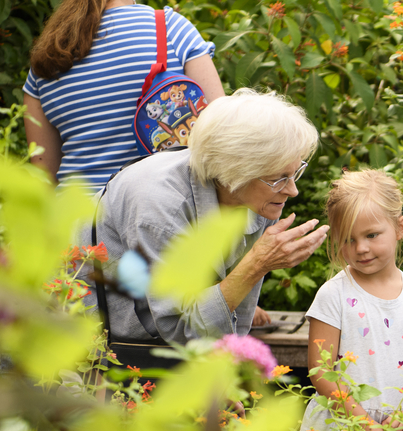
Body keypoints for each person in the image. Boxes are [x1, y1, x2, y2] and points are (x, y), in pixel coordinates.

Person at [93, 89, 327, 353]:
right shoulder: (160, 207)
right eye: (279, 178)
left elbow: (234, 320)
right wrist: (256, 265)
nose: (292, 190)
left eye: (295, 172)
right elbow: (177, 328)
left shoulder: (258, 200)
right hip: (96, 351)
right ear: (233, 173)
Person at [23, 0, 224, 192]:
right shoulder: (170, 28)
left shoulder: (47, 59)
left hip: (78, 223)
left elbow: (44, 176)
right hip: (162, 212)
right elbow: (221, 130)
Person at [300, 170, 403, 431]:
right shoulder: (333, 295)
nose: (361, 249)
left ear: (400, 227)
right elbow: (321, 370)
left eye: (371, 235)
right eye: (348, 239)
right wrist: (364, 425)